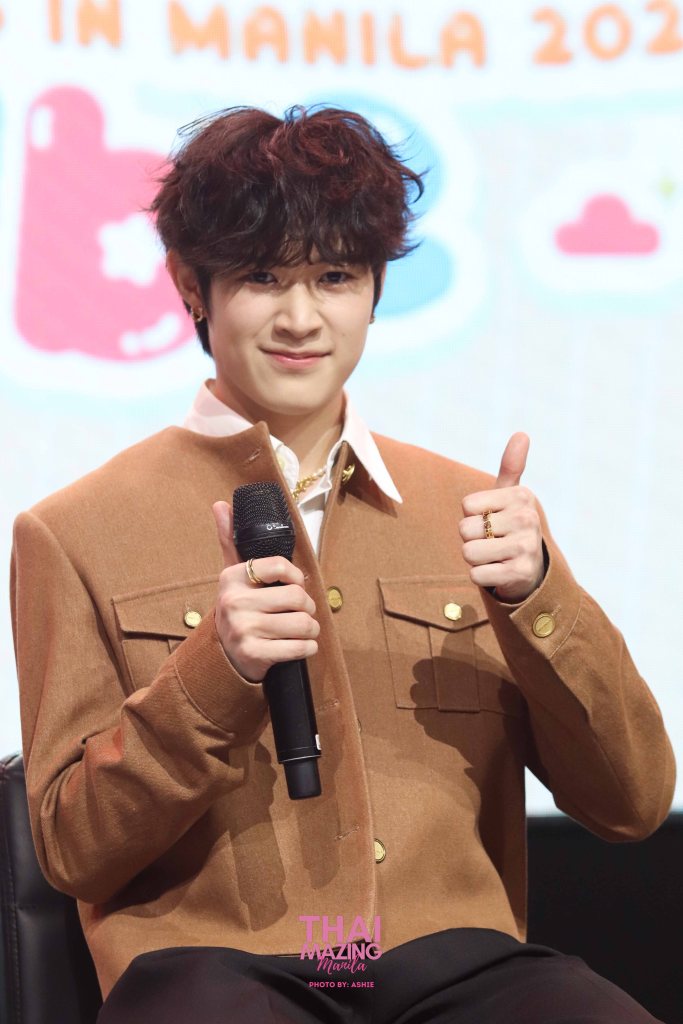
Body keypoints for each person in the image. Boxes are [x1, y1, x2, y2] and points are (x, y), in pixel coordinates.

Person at [10, 104, 675, 1024]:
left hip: (452, 967)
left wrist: (540, 597)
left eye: (333, 276)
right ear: (192, 286)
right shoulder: (74, 531)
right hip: (219, 974)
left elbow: (633, 802)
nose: (300, 317)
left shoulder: (473, 511)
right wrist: (216, 671)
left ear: (373, 288)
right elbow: (71, 850)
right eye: (261, 276)